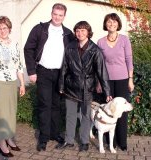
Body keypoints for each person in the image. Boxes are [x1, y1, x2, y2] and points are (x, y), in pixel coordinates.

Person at [24, 3, 74, 151]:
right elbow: (28, 49)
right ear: (51, 14)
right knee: (45, 105)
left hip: (60, 74)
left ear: (64, 16)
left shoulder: (68, 33)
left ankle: (55, 133)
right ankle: (44, 137)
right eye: (55, 14)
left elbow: (73, 54)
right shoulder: (40, 29)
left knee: (56, 105)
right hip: (43, 72)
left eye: (60, 15)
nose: (57, 17)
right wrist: (31, 71)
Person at [56, 21, 112, 152]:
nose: (80, 33)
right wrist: (61, 85)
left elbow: (102, 71)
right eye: (77, 30)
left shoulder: (95, 50)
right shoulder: (70, 47)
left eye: (83, 30)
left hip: (87, 88)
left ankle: (85, 141)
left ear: (88, 32)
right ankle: (69, 140)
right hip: (71, 87)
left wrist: (107, 91)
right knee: (70, 115)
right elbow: (64, 67)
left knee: (86, 115)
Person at [0, 16, 25, 157]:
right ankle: (1, 144)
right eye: (0, 28)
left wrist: (22, 84)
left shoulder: (14, 44)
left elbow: (19, 65)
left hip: (12, 82)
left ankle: (9, 138)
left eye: (5, 28)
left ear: (9, 29)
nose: (2, 30)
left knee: (11, 112)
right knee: (1, 114)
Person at [97, 13, 134, 151]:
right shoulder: (100, 42)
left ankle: (122, 141)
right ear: (105, 24)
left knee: (121, 111)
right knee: (108, 110)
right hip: (106, 80)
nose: (111, 24)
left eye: (114, 22)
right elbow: (99, 64)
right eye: (109, 22)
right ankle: (109, 142)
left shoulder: (124, 39)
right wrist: (99, 82)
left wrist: (130, 79)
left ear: (118, 24)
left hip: (123, 79)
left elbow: (129, 60)